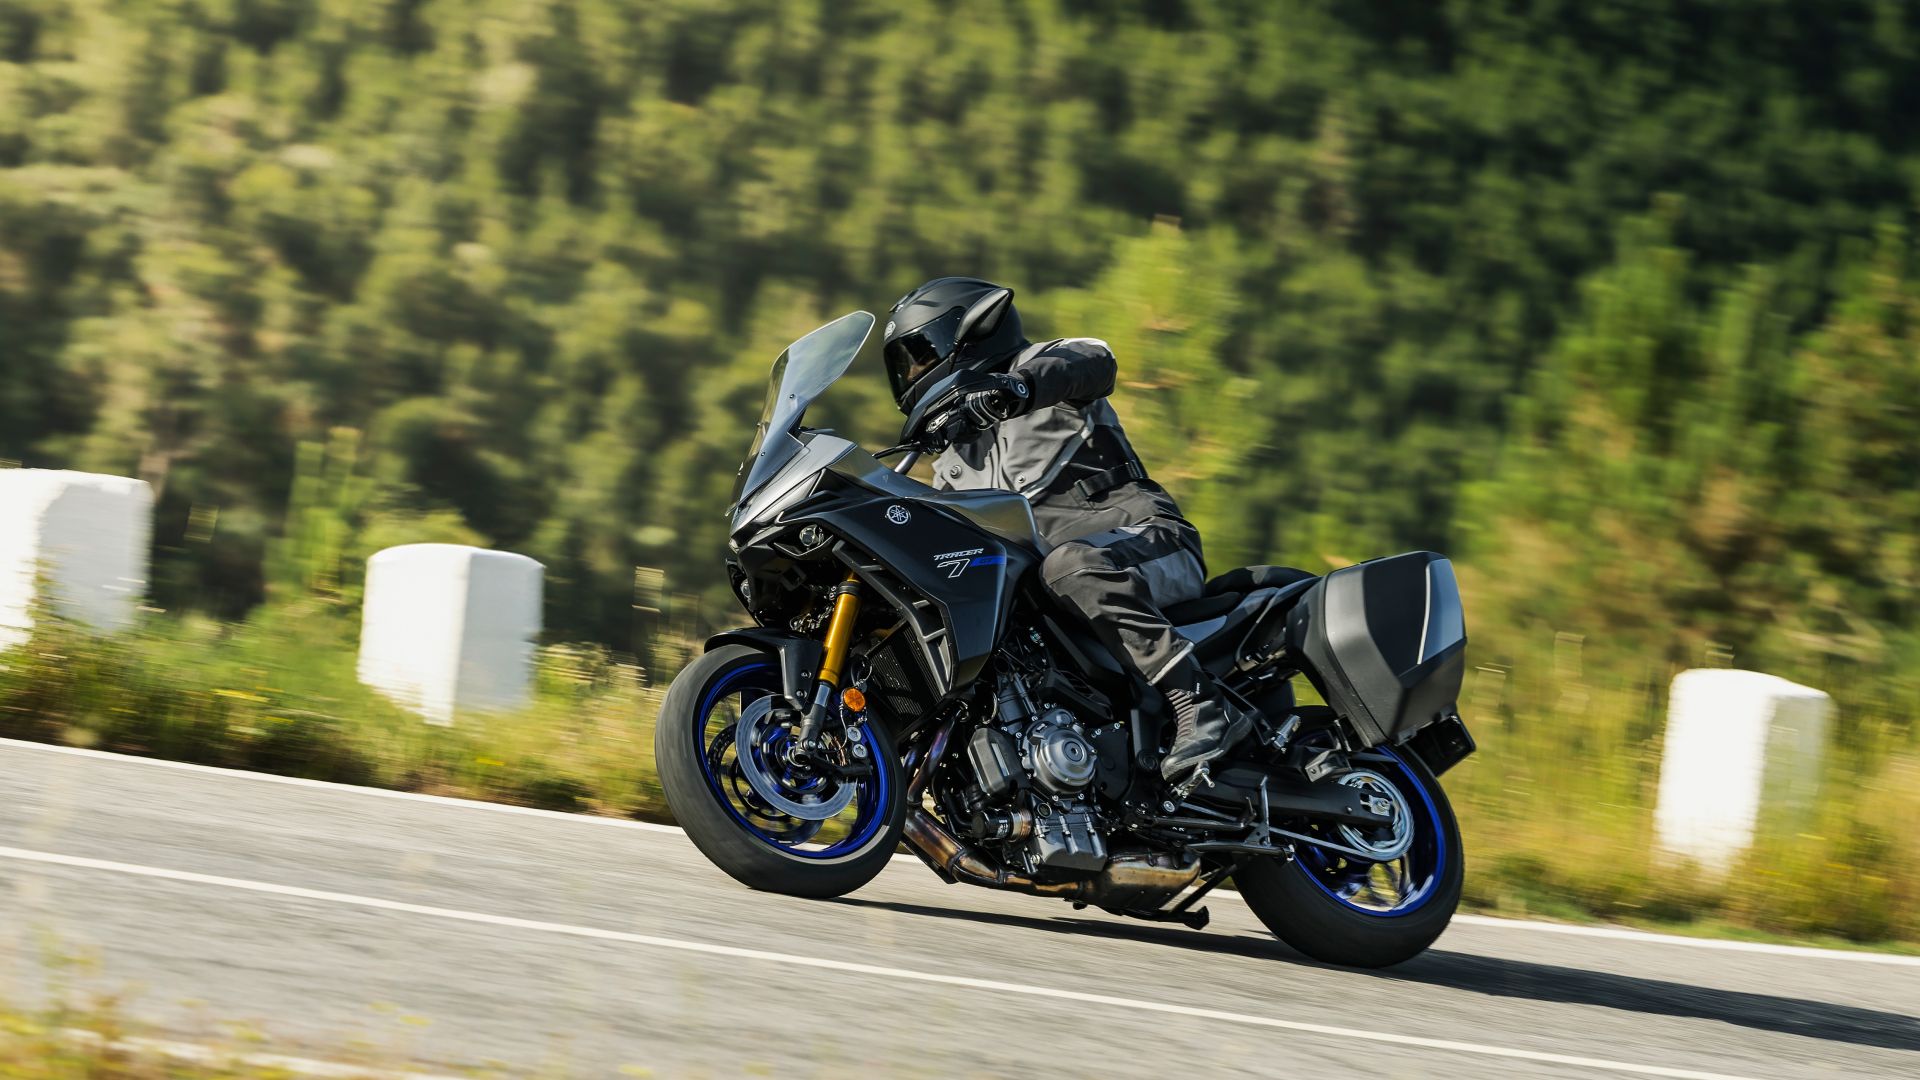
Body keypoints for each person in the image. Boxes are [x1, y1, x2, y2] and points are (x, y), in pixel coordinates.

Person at [881, 275, 1254, 783]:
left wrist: (1016, 389)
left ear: (968, 334)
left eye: (919, 355)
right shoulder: (951, 464)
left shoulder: (1046, 366)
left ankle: (1200, 702)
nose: (911, 373)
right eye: (903, 364)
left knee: (1068, 565)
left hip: (1149, 540)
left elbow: (1096, 362)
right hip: (1062, 600)